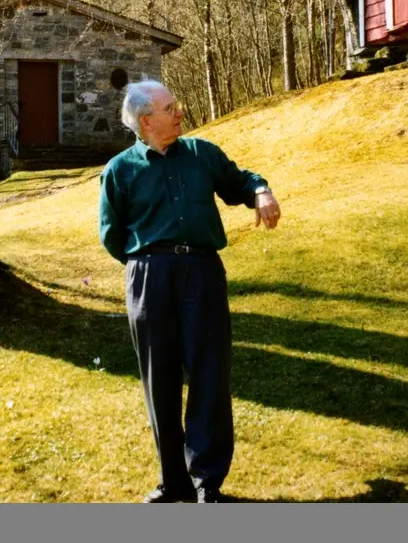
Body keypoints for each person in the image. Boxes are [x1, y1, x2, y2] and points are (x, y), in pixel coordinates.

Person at [99, 81, 281, 504]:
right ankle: (173, 483)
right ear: (147, 121)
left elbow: (241, 181)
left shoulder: (203, 154)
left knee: (209, 373)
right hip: (149, 276)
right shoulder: (119, 170)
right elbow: (112, 235)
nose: (179, 112)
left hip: (202, 271)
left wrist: (261, 191)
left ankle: (207, 483)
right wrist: (147, 263)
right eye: (169, 107)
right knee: (158, 378)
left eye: (176, 105)